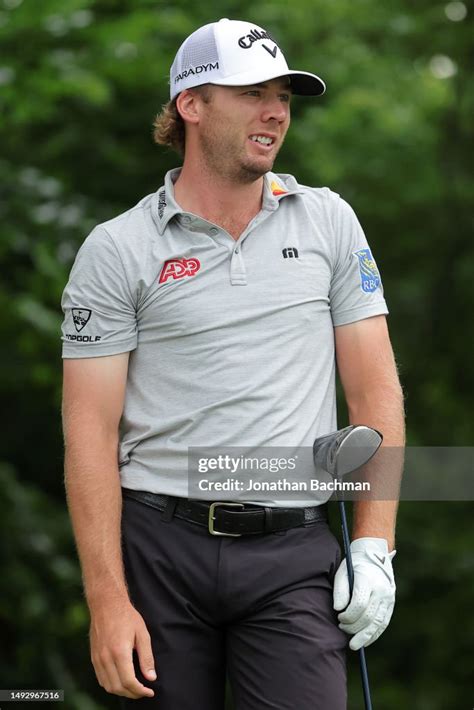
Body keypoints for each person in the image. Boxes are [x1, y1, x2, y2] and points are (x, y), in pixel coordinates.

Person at [61, 18, 405, 710]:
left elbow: (375, 396)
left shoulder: (329, 222)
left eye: (283, 95)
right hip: (158, 550)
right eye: (252, 93)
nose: (276, 111)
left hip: (293, 554)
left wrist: (374, 547)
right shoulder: (118, 248)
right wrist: (107, 600)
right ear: (191, 105)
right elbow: (88, 433)